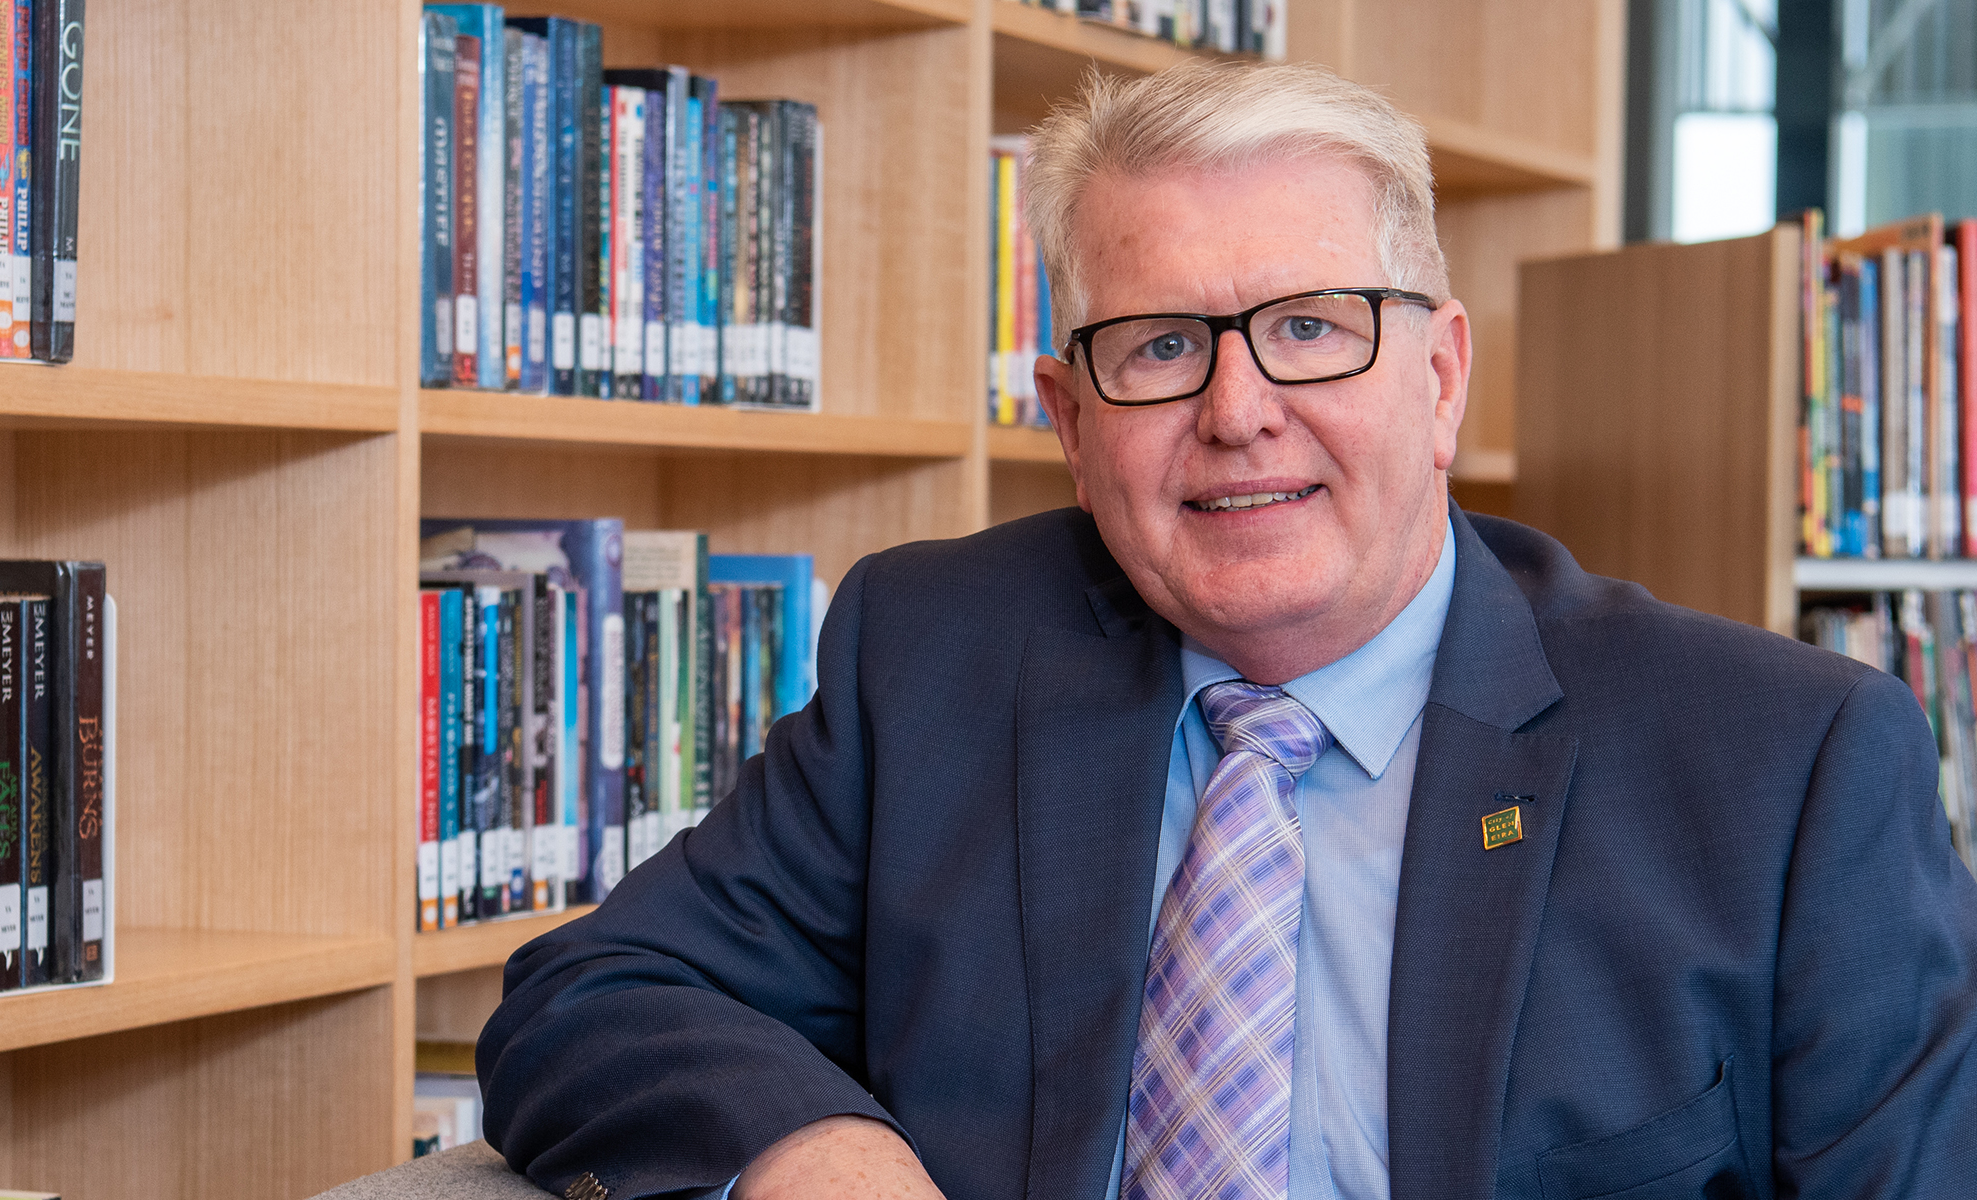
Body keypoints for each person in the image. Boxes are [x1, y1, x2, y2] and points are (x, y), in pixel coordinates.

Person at [478, 61, 1977, 1200]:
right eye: (1159, 347)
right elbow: (595, 996)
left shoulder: (1783, 764)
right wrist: (808, 1147)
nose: (1237, 410)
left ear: (1440, 377)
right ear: (1069, 425)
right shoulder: (936, 659)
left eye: (1313, 326)